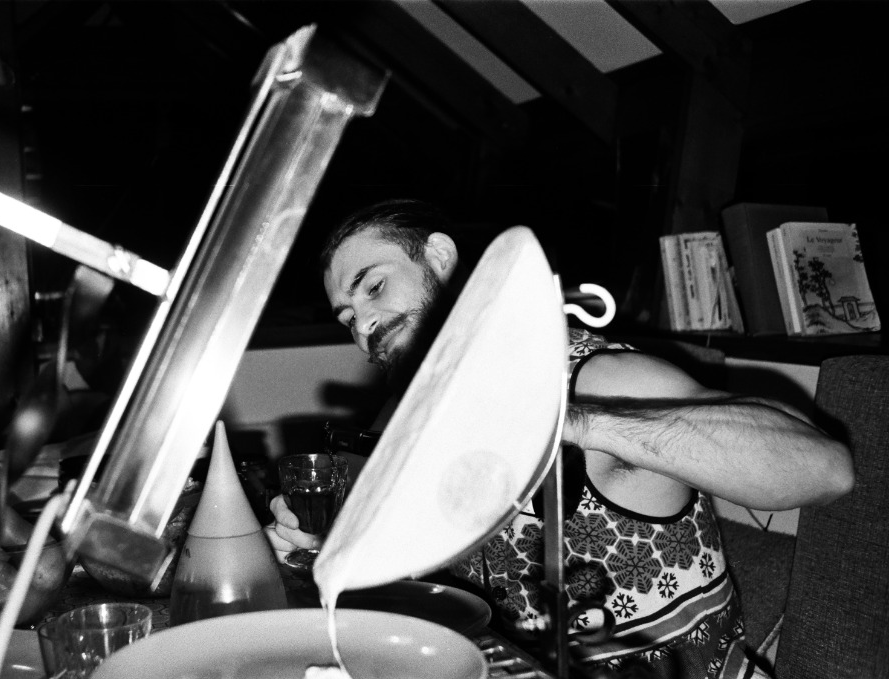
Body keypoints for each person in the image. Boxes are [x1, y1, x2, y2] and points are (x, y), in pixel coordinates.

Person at [264, 198, 854, 678]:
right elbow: (458, 556)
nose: (363, 325)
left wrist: (568, 421)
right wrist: (329, 541)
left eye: (373, 287)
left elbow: (826, 471)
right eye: (347, 318)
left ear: (439, 258)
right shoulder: (423, 408)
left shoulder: (596, 376)